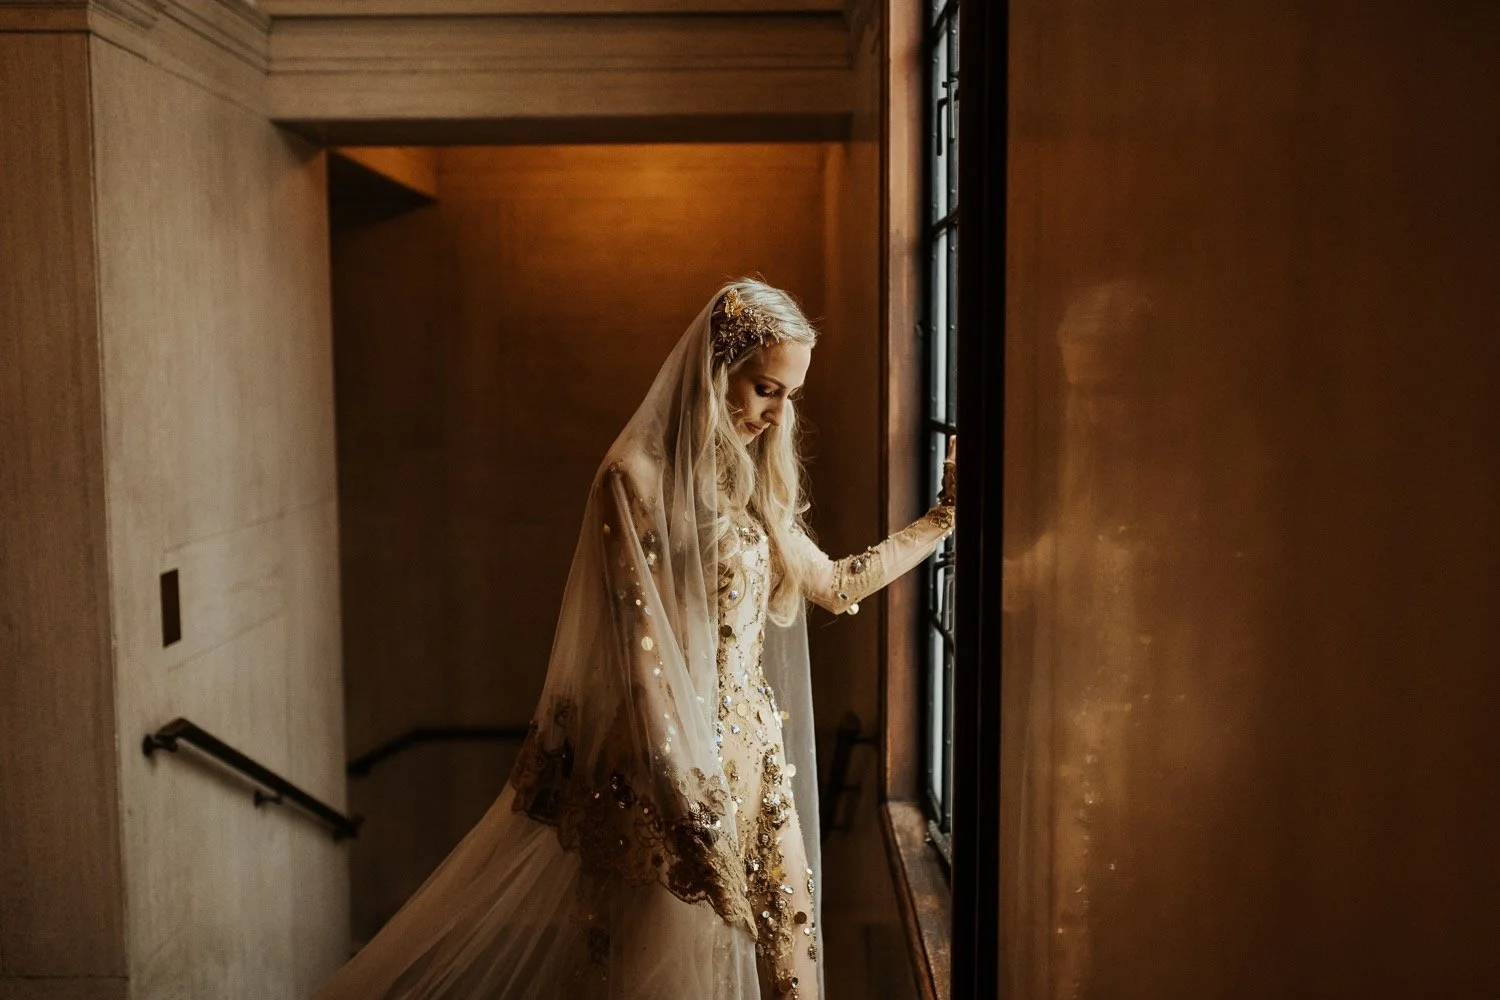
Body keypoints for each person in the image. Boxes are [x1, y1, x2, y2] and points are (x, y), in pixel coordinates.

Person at [315, 278, 957, 999]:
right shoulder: (633, 479)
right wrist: (689, 809)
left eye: (790, 396)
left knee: (792, 967)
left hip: (756, 767)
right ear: (717, 369)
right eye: (765, 390)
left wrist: (944, 517)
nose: (778, 415)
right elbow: (642, 663)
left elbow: (835, 584)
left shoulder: (742, 482)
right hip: (666, 777)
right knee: (659, 975)